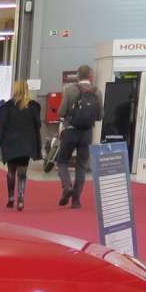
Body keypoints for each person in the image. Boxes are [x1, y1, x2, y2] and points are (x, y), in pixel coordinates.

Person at [56, 64, 103, 209]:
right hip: (87, 133)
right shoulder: (97, 92)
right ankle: (76, 201)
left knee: (62, 161)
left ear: (77, 76)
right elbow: (100, 116)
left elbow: (61, 112)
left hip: (70, 131)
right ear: (91, 76)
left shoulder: (70, 90)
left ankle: (67, 186)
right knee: (81, 166)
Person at [0, 80, 42, 211]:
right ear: (26, 89)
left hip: (10, 143)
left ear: (14, 89)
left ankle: (10, 198)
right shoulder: (33, 106)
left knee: (11, 171)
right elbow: (38, 125)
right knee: (22, 173)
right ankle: (20, 199)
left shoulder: (6, 107)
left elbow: (1, 127)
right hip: (26, 144)